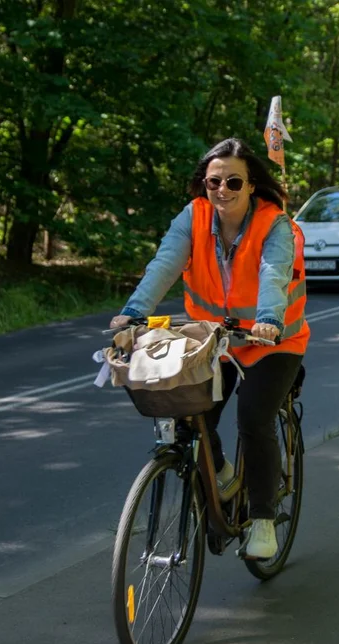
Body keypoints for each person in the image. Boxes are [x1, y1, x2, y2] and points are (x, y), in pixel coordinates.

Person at [109, 138, 310, 560]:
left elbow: (273, 273)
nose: (222, 189)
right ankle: (221, 473)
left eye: (233, 181)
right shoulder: (194, 217)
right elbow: (165, 263)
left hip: (272, 342)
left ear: (251, 185)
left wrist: (269, 319)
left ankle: (262, 519)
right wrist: (134, 311)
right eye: (213, 180)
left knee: (253, 418)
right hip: (211, 338)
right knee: (184, 413)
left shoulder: (276, 225)